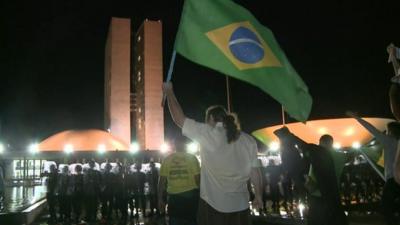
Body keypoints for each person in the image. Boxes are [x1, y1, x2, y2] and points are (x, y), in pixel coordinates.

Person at [163, 82, 263, 225]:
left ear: (210, 118)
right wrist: (258, 196)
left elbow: (179, 119)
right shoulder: (248, 140)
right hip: (241, 208)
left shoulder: (207, 133)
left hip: (213, 207)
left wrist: (169, 92)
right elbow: (256, 173)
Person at [274, 127, 348, 225]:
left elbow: (304, 145)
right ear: (332, 143)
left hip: (317, 196)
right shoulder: (341, 156)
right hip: (334, 195)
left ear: (321, 143)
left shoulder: (319, 153)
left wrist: (288, 135)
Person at [347, 112, 400, 225]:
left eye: (387, 130)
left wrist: (356, 118)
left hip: (393, 179)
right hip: (395, 179)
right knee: (390, 206)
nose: (385, 132)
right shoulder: (397, 143)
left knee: (385, 208)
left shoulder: (389, 141)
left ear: (391, 131)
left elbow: (373, 130)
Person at [158, 135, 200, 225]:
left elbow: (161, 182)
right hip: (191, 198)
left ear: (174, 145)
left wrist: (160, 199)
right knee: (191, 222)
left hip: (174, 200)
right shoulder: (192, 158)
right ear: (185, 145)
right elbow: (198, 180)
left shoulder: (167, 159)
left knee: (175, 221)